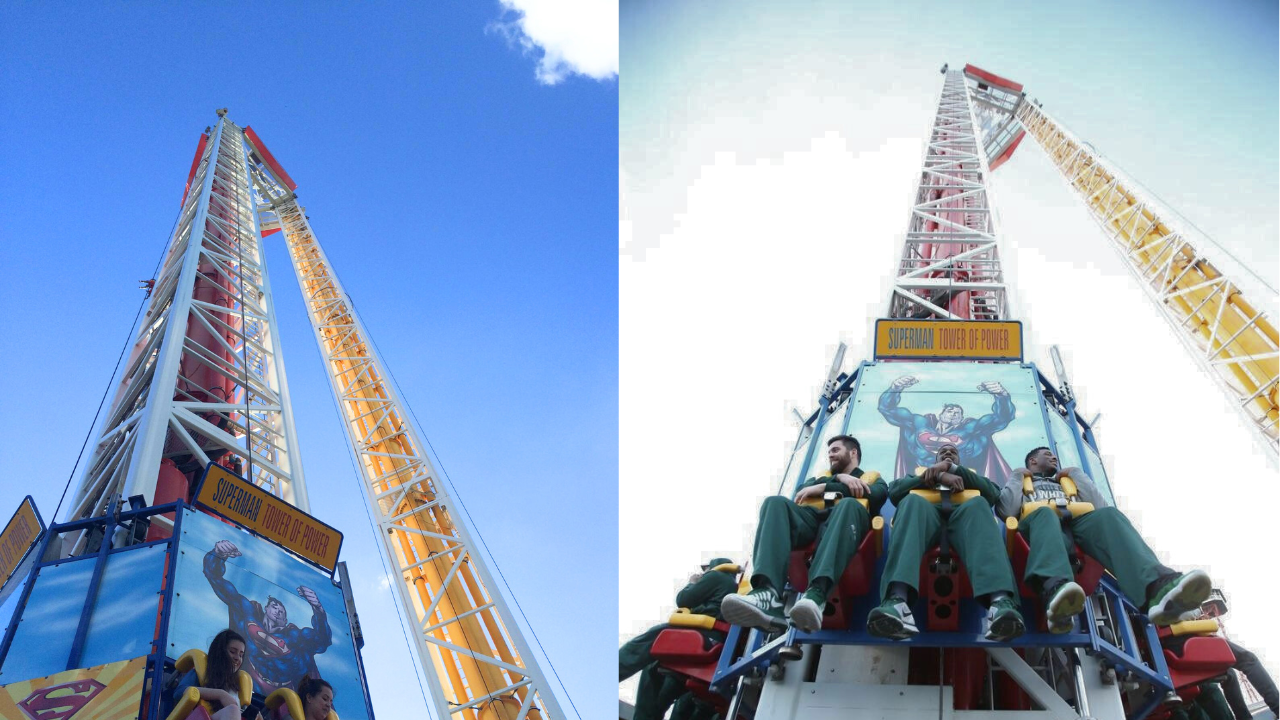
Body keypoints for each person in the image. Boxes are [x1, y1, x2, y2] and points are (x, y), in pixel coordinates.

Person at [998, 447, 1211, 630]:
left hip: (1076, 523)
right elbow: (1007, 510)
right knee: (1045, 515)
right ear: (1033, 461)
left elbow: (1098, 507)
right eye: (1047, 455)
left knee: (1110, 515)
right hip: (1040, 526)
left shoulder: (1067, 484)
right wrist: (1017, 476)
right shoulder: (1024, 481)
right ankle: (1055, 588)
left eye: (1054, 455)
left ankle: (1155, 589)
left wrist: (1075, 474)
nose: (1054, 458)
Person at [721, 435, 887, 633]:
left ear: (853, 453)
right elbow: (801, 492)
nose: (831, 455)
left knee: (848, 504)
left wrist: (825, 487)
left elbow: (876, 494)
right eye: (829, 452)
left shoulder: (872, 477)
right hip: (810, 520)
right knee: (774, 503)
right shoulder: (817, 477)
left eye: (835, 450)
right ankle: (767, 594)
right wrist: (838, 479)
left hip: (847, 523)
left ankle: (817, 595)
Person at [867, 443, 1025, 641]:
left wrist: (953, 470)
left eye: (953, 452)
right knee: (910, 502)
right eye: (943, 451)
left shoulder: (972, 477)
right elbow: (896, 492)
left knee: (979, 504)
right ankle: (896, 602)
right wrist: (938, 476)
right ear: (934, 459)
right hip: (925, 516)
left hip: (964, 517)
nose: (948, 452)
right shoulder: (916, 476)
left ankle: (1001, 603)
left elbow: (992, 494)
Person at [204, 540, 334, 692]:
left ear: (285, 620)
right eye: (274, 606)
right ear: (265, 609)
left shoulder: (295, 637)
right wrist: (217, 554)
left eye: (282, 611)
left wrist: (318, 609)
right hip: (246, 683)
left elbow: (322, 641)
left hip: (283, 696)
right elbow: (219, 584)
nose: (278, 610)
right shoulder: (248, 615)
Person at [620, 558, 739, 720]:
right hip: (716, 642)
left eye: (706, 569)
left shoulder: (716, 576)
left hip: (703, 636)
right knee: (652, 669)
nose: (703, 573)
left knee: (651, 639)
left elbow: (684, 599)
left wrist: (692, 582)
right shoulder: (734, 588)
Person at [879, 376, 1016, 486]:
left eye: (958, 413)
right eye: (949, 410)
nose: (953, 414)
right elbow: (888, 410)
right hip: (922, 479)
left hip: (958, 482)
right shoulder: (920, 424)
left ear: (961, 418)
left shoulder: (969, 430)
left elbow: (1001, 418)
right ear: (941, 414)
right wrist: (895, 388)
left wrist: (1001, 396)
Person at [165, 628, 261, 720]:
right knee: (232, 710)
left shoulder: (238, 687)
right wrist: (220, 694)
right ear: (220, 652)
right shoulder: (201, 672)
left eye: (241, 655)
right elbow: (179, 693)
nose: (237, 658)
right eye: (232, 652)